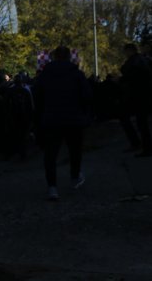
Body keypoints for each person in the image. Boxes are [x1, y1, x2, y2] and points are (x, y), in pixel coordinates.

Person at [33, 46, 92, 201]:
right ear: (68, 57)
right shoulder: (77, 74)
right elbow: (87, 96)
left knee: (50, 154)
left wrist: (41, 115)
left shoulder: (45, 75)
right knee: (75, 150)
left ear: (53, 57)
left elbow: (37, 96)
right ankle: (74, 176)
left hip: (51, 118)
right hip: (73, 118)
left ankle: (52, 187)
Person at [119, 43, 152, 157]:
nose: (125, 54)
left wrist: (122, 80)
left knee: (140, 122)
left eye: (125, 51)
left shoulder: (136, 61)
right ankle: (143, 146)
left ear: (130, 51)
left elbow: (133, 76)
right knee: (140, 122)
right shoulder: (140, 61)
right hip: (139, 95)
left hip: (138, 96)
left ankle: (145, 148)